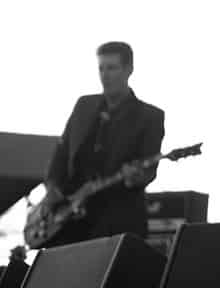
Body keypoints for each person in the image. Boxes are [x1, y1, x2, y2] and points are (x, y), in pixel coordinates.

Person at [42, 41, 165, 245]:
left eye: (112, 68)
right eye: (101, 68)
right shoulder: (84, 105)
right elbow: (61, 154)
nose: (105, 75)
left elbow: (148, 170)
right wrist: (52, 187)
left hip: (114, 223)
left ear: (129, 70)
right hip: (68, 221)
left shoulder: (149, 116)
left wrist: (134, 178)